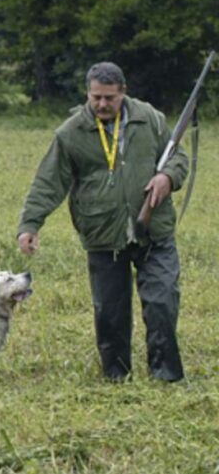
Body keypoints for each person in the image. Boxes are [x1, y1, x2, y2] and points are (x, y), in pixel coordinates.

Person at [17, 62, 187, 382]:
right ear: (88, 93)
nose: (102, 105)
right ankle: (116, 379)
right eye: (96, 97)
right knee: (110, 313)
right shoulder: (71, 133)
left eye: (109, 97)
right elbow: (48, 182)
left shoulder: (150, 119)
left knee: (163, 304)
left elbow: (178, 155)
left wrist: (167, 176)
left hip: (154, 231)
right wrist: (30, 225)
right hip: (102, 235)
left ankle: (167, 378)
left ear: (123, 92)